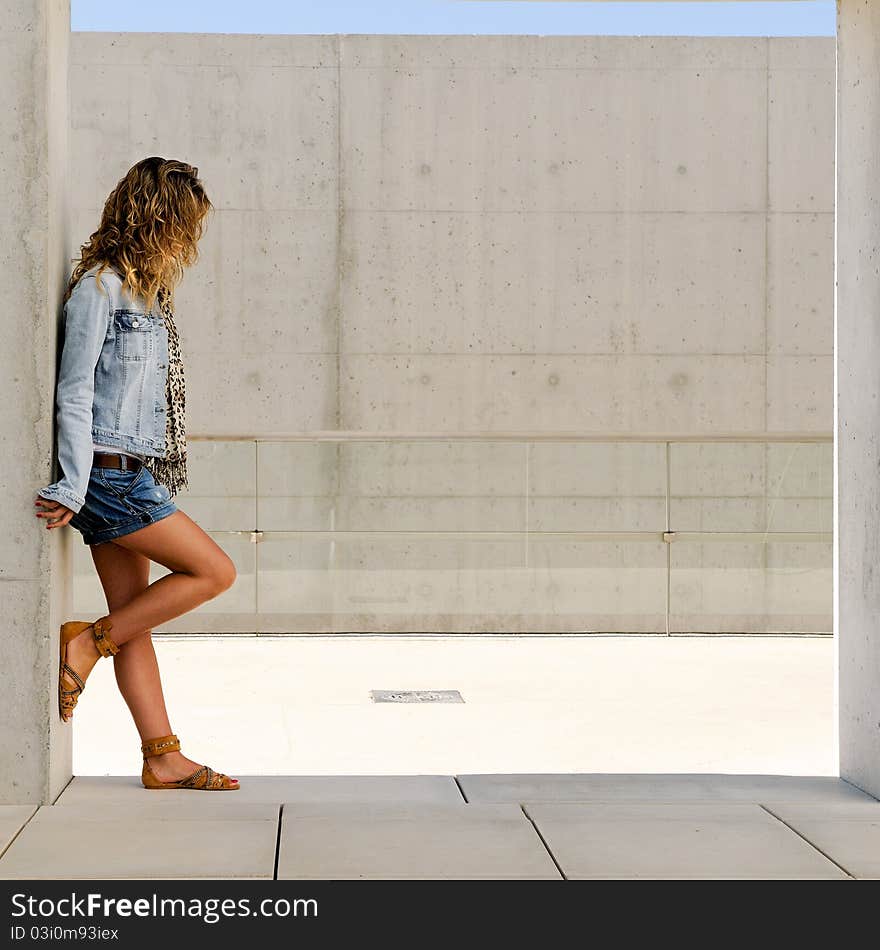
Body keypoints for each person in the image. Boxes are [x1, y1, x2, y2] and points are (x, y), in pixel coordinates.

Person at [35, 157, 239, 791]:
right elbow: (72, 392)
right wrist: (72, 482)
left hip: (130, 468)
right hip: (107, 475)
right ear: (155, 219)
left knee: (135, 615)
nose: (187, 241)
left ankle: (161, 757)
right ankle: (86, 643)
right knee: (214, 571)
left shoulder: (146, 292)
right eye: (182, 225)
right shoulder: (100, 287)